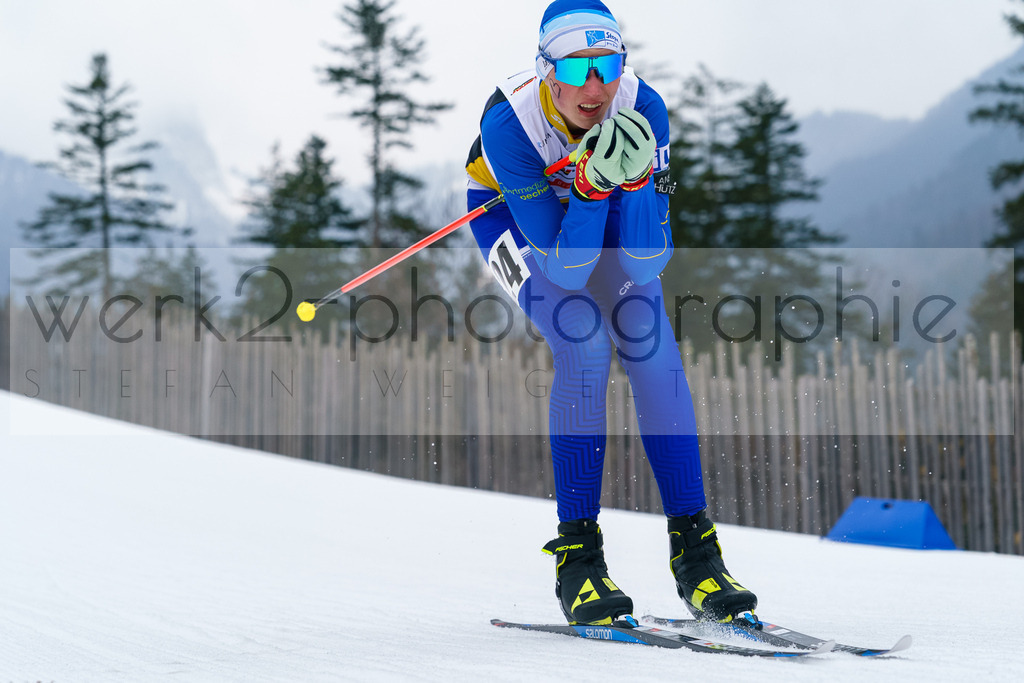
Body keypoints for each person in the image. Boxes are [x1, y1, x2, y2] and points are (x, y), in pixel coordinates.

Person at [464, 0, 757, 626]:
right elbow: (567, 268)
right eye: (577, 70)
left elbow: (648, 262)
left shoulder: (644, 107)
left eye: (609, 65)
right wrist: (592, 190)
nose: (595, 87)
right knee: (584, 342)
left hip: (606, 207)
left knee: (652, 349)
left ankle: (697, 555)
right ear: (547, 72)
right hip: (515, 217)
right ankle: (577, 559)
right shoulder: (508, 124)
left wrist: (637, 184)